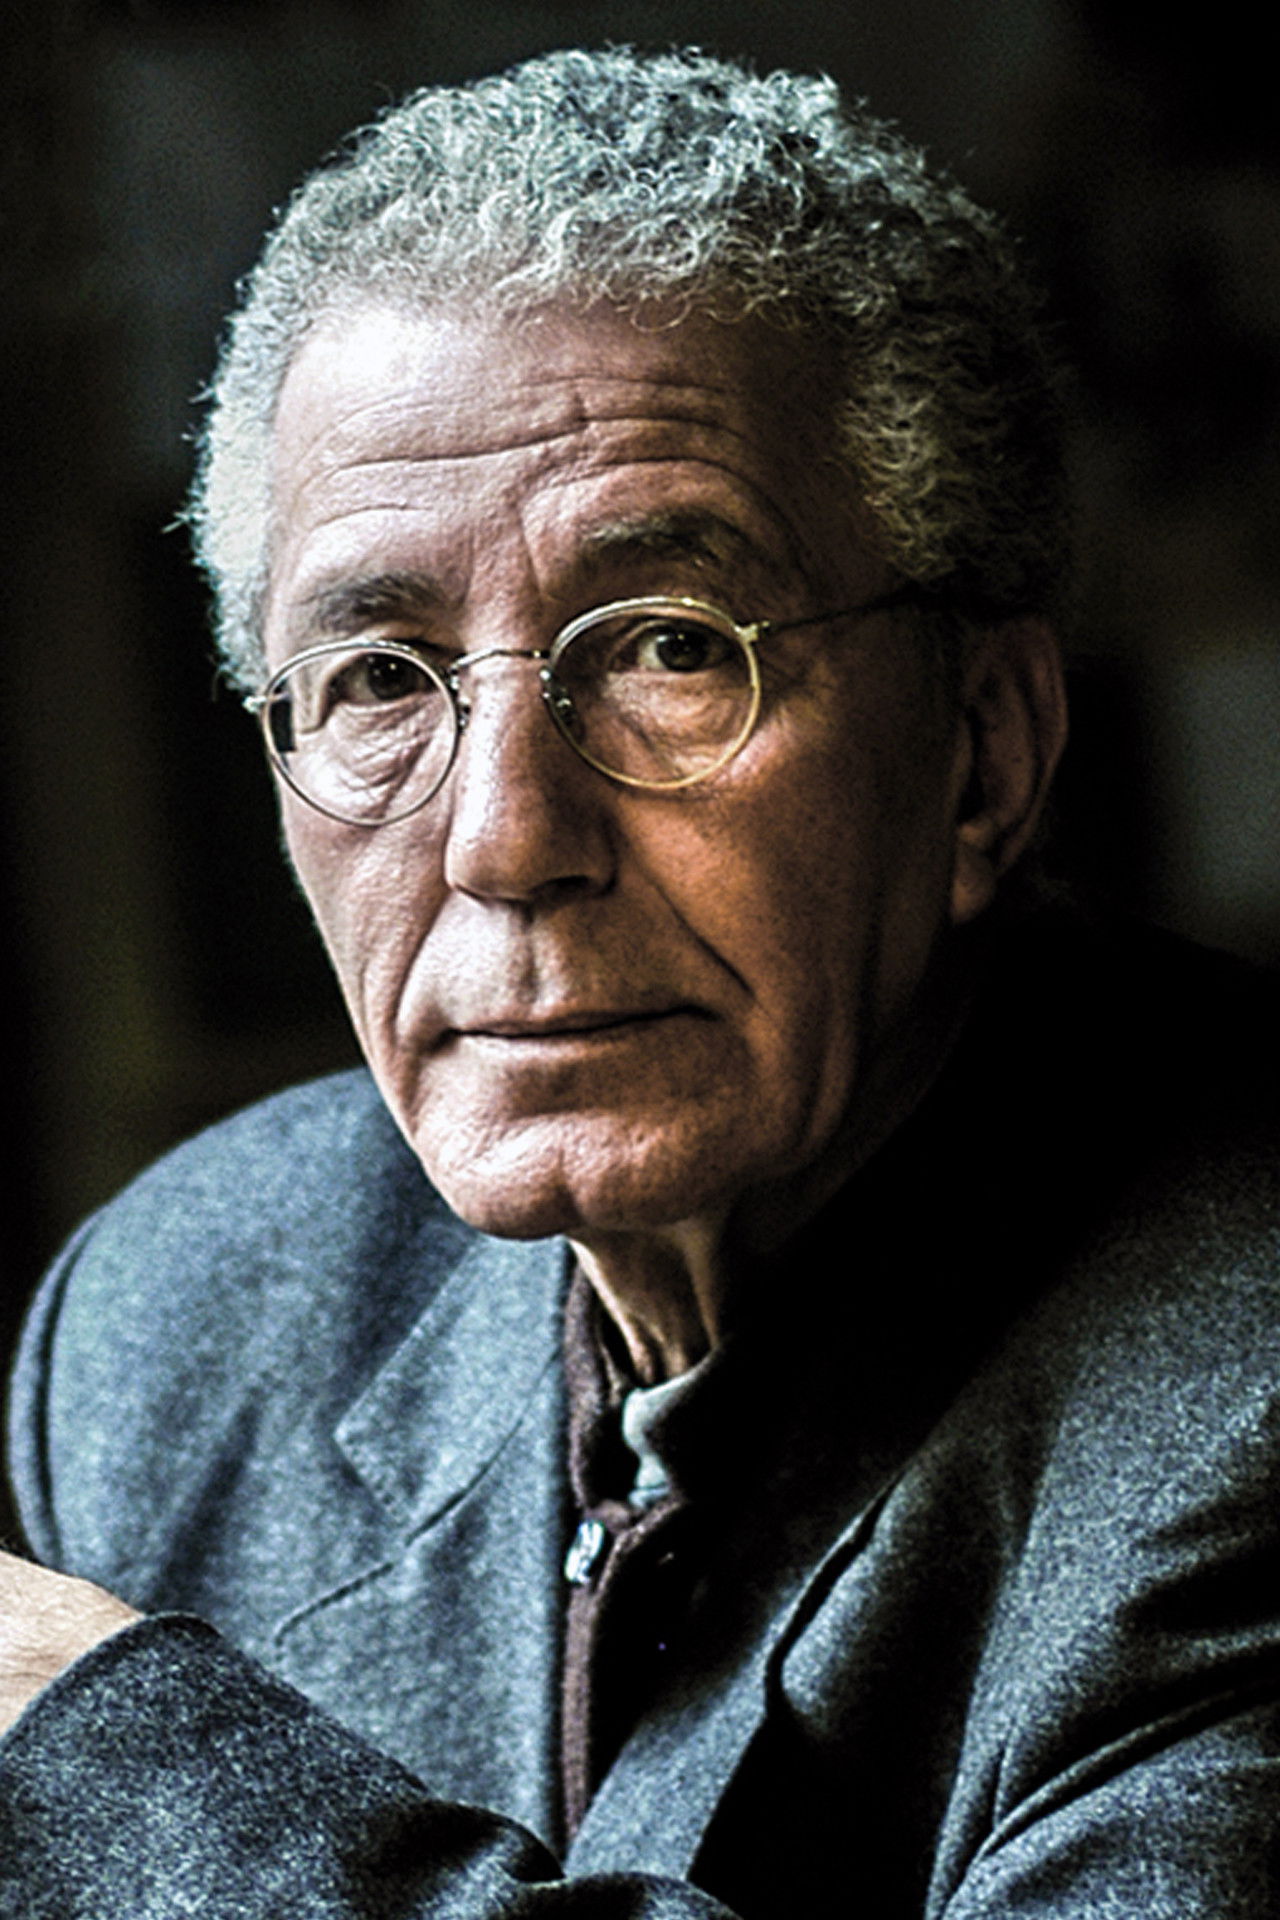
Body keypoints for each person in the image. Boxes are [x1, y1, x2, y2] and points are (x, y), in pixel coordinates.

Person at [1, 44, 1278, 1918]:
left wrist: (96, 1754)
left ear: (984, 753)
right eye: (376, 681)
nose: (505, 839)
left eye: (671, 648)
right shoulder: (178, 1329)